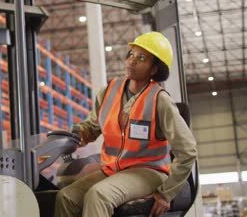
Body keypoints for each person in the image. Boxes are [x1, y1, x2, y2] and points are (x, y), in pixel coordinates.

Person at [54, 32, 198, 217]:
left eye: (141, 58)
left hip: (148, 172)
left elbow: (188, 150)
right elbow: (92, 125)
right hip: (112, 169)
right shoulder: (108, 91)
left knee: (98, 195)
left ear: (154, 69)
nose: (132, 61)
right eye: (131, 54)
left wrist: (166, 193)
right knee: (66, 197)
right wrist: (79, 134)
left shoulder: (159, 100)